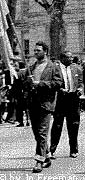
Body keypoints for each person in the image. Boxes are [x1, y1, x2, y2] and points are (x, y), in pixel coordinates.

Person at [25, 41, 62, 173]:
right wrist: (28, 82)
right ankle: (46, 157)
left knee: (42, 133)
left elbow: (58, 83)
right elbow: (27, 84)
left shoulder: (53, 66)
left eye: (38, 50)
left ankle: (39, 160)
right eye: (34, 51)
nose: (35, 53)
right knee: (36, 133)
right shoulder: (32, 66)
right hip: (33, 103)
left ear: (45, 51)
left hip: (46, 104)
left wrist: (40, 84)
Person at [50, 51, 83, 159]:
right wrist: (59, 89)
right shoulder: (55, 69)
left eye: (72, 57)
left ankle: (74, 150)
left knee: (74, 125)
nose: (71, 59)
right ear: (62, 59)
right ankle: (52, 150)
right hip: (61, 99)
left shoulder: (76, 68)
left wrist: (80, 89)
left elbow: (81, 82)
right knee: (57, 125)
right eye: (69, 57)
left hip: (73, 99)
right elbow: (52, 83)